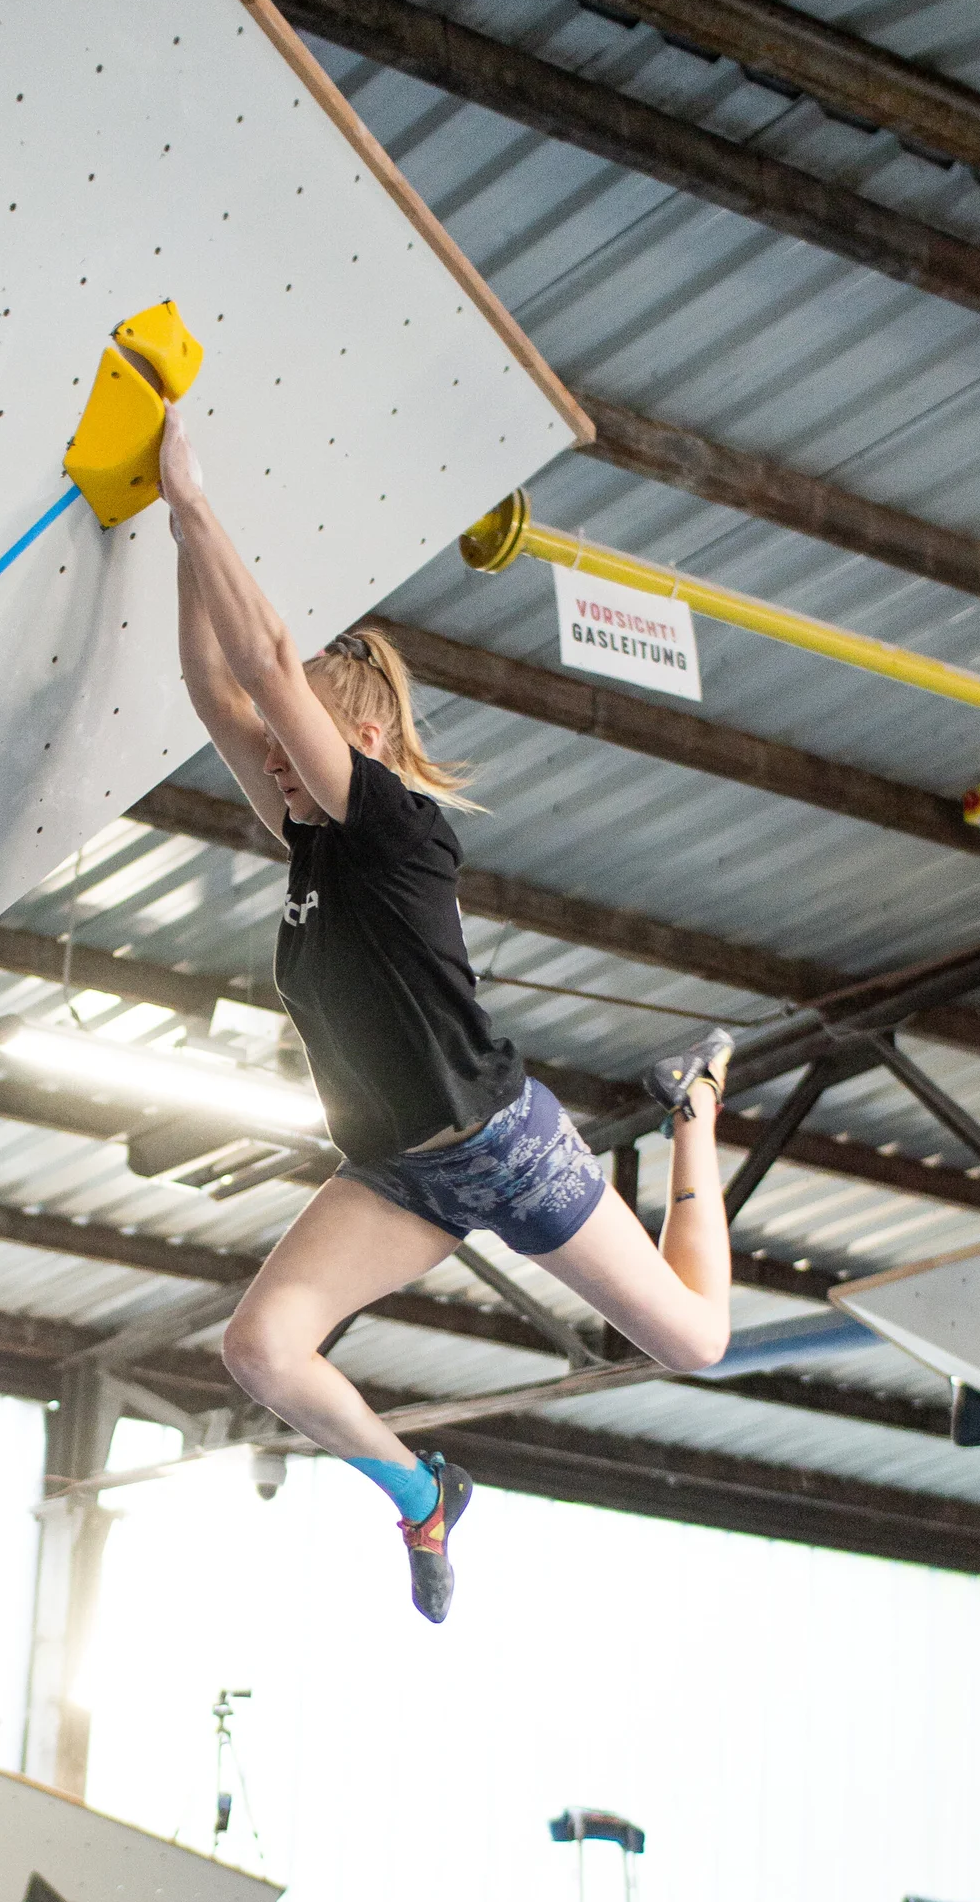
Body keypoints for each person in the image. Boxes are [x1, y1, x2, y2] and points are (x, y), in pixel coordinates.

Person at [160, 401, 734, 1624]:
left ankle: (696, 1107)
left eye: (292, 743)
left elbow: (262, 663)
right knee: (259, 1353)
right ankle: (422, 1497)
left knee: (695, 1345)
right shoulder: (313, 843)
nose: (268, 761)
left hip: (502, 1150)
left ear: (359, 736)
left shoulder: (391, 824)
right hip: (395, 1174)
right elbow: (216, 687)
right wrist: (162, 536)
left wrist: (195, 500)